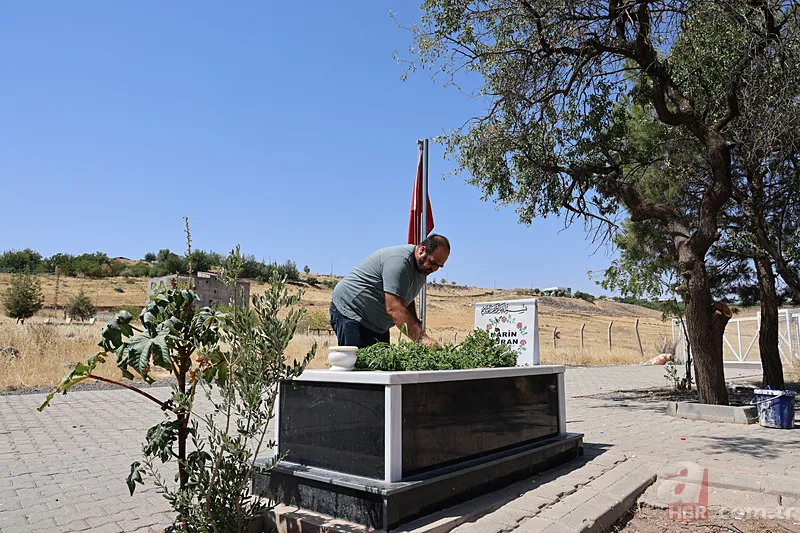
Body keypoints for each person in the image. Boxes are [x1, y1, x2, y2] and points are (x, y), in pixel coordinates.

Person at [329, 234, 450, 348]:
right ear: (422, 250)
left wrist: (416, 324)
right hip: (351, 311)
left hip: (377, 324)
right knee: (357, 365)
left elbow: (406, 298)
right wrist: (422, 339)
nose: (434, 269)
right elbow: (394, 308)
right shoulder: (399, 262)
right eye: (433, 262)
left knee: (381, 366)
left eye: (439, 266)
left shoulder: (422, 269)